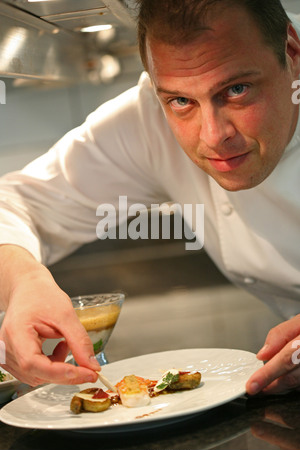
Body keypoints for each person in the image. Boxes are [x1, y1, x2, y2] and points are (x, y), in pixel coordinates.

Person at [0, 0, 300, 394]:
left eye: (237, 90)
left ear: (292, 53)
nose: (213, 135)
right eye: (180, 101)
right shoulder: (146, 118)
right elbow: (17, 202)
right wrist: (23, 282)